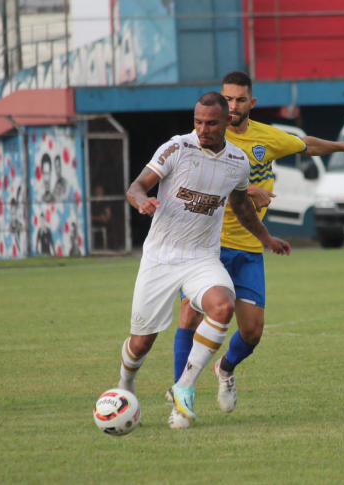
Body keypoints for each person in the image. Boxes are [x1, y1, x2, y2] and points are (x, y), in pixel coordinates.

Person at [171, 71, 344, 428]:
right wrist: (245, 192)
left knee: (252, 332)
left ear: (251, 103)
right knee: (190, 316)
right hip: (208, 246)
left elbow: (304, 144)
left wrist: (342, 147)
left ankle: (225, 368)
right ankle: (182, 394)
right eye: (227, 99)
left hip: (249, 248)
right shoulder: (208, 138)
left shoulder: (266, 138)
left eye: (239, 100)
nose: (232, 106)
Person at [117, 91, 290, 429]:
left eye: (211, 123)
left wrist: (266, 238)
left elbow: (241, 206)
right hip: (161, 257)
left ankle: (185, 387)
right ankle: (125, 385)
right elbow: (137, 185)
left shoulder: (239, 161)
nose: (203, 129)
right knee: (141, 343)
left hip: (201, 257)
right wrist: (142, 201)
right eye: (198, 121)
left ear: (227, 121)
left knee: (223, 306)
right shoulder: (176, 148)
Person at [91, 185, 112, 249]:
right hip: (93, 222)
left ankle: (107, 246)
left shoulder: (104, 202)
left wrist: (95, 218)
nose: (98, 193)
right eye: (97, 191)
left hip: (103, 223)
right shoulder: (92, 202)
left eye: (100, 191)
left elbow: (107, 217)